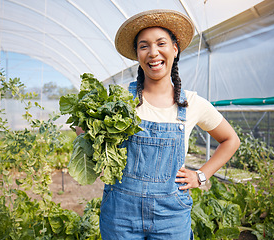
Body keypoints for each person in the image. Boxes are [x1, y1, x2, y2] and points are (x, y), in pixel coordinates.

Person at [97, 9, 240, 240]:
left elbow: (231, 140)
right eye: (144, 46)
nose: (153, 53)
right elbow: (88, 133)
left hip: (170, 217)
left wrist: (201, 176)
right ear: (137, 54)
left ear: (175, 49)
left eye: (161, 43)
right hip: (120, 214)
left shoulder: (192, 103)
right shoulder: (118, 101)